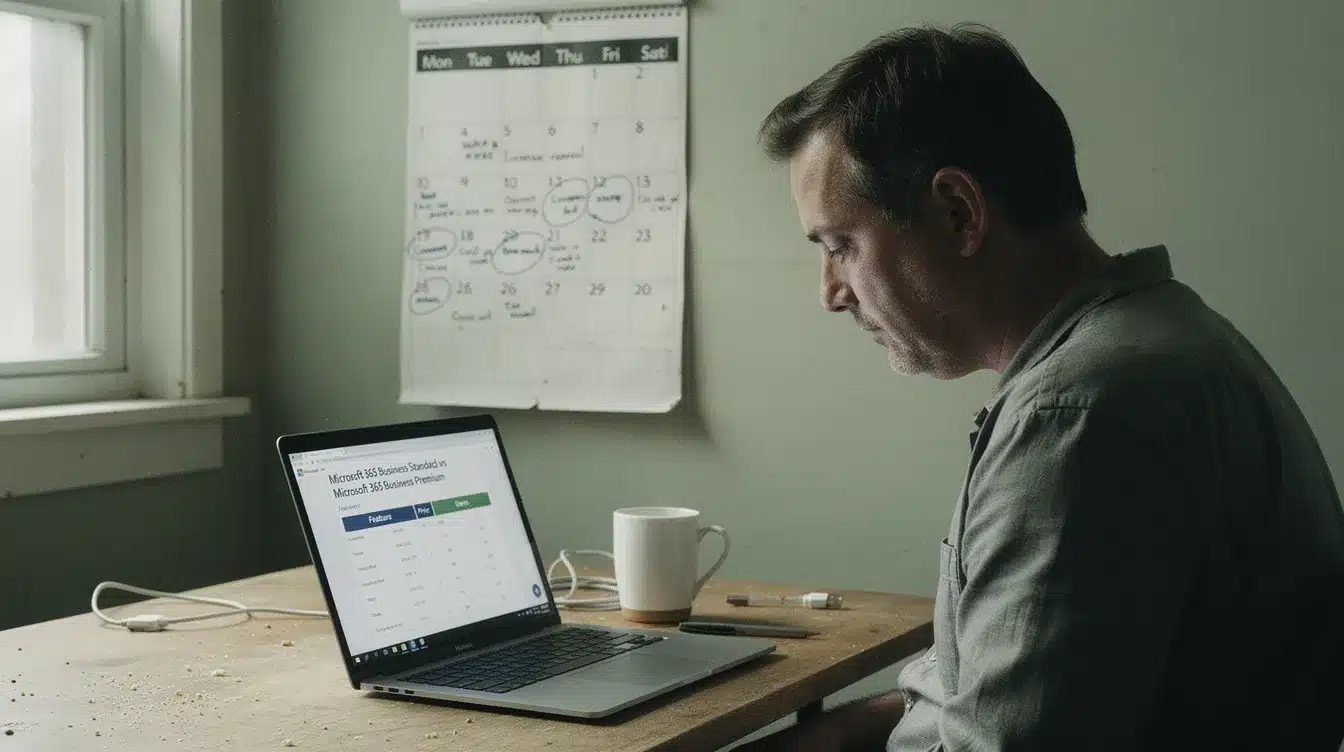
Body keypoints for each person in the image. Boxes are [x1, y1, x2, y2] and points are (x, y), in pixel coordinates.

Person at [743, 22, 1344, 752]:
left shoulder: (1079, 414)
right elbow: (972, 688)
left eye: (841, 246)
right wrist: (831, 739)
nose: (831, 293)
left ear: (960, 213)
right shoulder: (1158, 338)